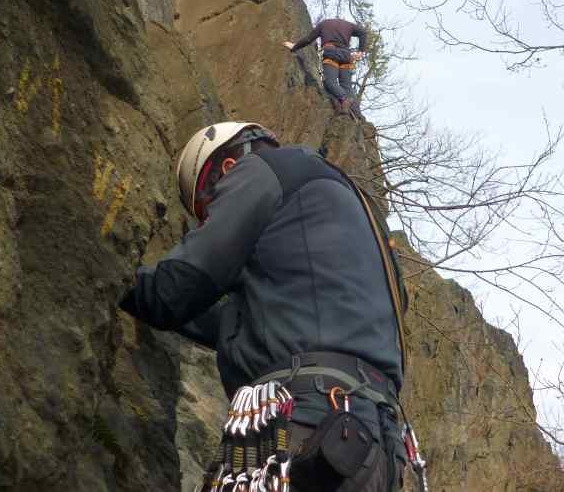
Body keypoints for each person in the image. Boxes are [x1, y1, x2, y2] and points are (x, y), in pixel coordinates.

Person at [118, 122, 408, 491]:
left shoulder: (262, 170)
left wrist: (113, 273)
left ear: (225, 169)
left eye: (211, 210)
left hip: (304, 418)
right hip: (377, 448)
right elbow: (250, 320)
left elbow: (179, 289)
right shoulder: (364, 223)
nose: (212, 220)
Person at [283, 18, 368, 118]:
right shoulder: (348, 25)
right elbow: (363, 32)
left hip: (331, 53)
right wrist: (360, 51)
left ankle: (344, 99)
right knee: (347, 87)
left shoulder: (324, 24)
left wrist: (294, 47)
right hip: (346, 56)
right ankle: (357, 114)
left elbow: (308, 39)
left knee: (329, 82)